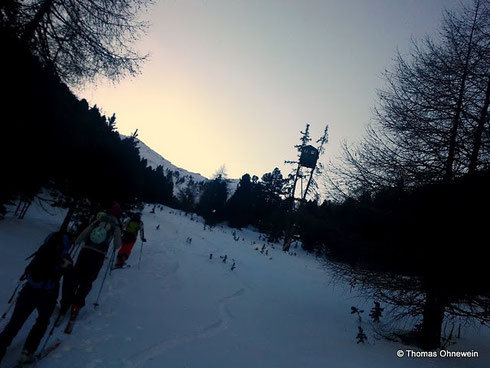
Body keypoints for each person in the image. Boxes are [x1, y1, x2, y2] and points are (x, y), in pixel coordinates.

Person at [0, 232, 72, 364]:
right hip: (48, 294)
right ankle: (28, 352)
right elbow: (68, 282)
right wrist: (66, 302)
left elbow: (29, 268)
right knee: (42, 321)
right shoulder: (65, 260)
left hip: (29, 289)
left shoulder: (42, 250)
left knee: (15, 321)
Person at [60, 202, 122, 319]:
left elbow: (86, 231)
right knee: (87, 281)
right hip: (98, 255)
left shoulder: (99, 219)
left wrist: (77, 241)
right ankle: (76, 306)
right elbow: (117, 245)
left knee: (75, 277)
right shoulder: (116, 225)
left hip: (85, 251)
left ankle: (65, 304)